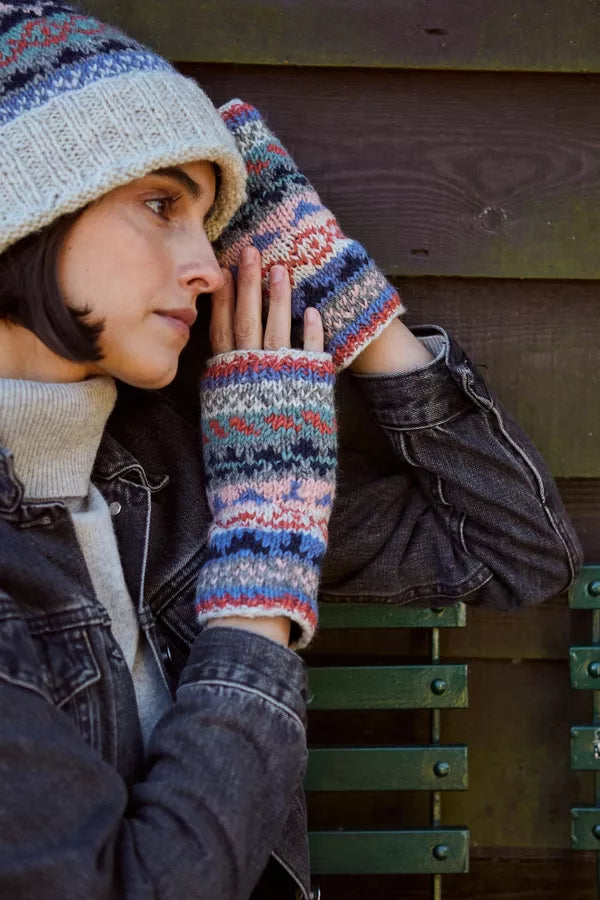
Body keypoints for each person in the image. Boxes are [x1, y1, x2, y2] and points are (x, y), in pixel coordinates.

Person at [0, 5, 581, 900]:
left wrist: (356, 312)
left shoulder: (185, 469)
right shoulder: (233, 490)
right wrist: (258, 586)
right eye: (160, 205)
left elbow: (516, 550)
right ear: (25, 208)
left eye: (212, 222)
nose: (208, 265)